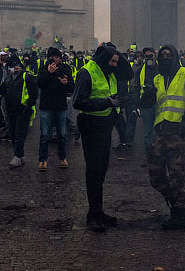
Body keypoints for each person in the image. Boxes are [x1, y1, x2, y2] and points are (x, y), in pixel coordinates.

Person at [141, 43, 185, 230]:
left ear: (175, 56)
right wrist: (146, 95)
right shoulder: (157, 78)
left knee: (176, 175)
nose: (165, 57)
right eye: (162, 54)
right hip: (160, 132)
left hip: (178, 133)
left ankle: (181, 216)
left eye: (168, 54)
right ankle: (177, 203)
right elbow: (150, 103)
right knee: (155, 174)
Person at [72, 42, 121, 232]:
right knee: (94, 172)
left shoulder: (107, 70)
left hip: (104, 125)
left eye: (116, 61)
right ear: (103, 59)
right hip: (91, 126)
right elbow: (78, 102)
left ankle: (98, 211)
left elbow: (127, 72)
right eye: (113, 61)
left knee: (101, 170)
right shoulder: (86, 72)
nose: (115, 65)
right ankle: (93, 215)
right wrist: (106, 102)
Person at [36, 46, 73, 170]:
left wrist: (66, 83)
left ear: (60, 58)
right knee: (45, 135)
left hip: (60, 106)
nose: (54, 60)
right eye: (52, 57)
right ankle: (42, 160)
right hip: (46, 106)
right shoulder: (42, 69)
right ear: (48, 58)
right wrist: (49, 73)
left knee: (62, 135)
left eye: (57, 57)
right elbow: (39, 84)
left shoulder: (66, 69)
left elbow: (71, 87)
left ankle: (63, 158)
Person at [3, 56, 38, 168]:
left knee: (19, 134)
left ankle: (17, 155)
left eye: (16, 65)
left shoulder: (27, 77)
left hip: (23, 111)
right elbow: (2, 90)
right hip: (11, 110)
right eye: (12, 65)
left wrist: (28, 107)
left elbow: (34, 94)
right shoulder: (8, 78)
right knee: (13, 133)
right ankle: (20, 155)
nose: (14, 67)